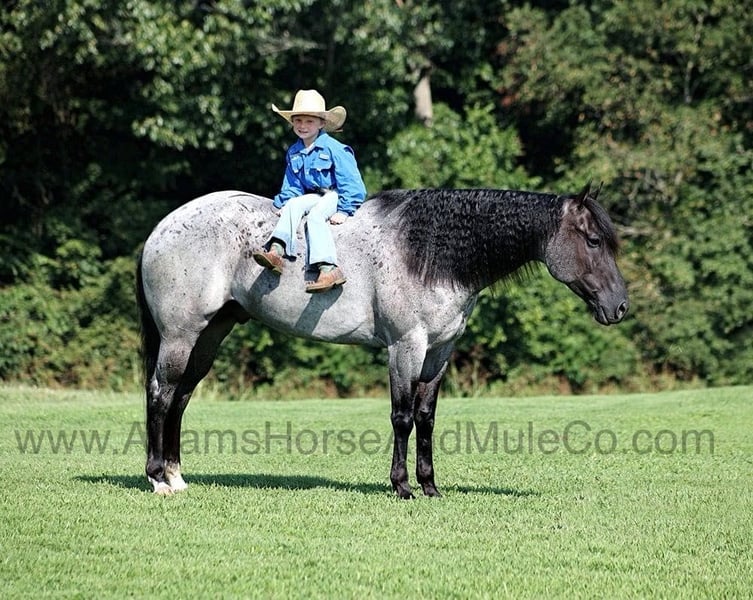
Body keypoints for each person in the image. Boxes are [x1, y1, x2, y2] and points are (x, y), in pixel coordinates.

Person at [253, 89, 367, 293]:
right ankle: (277, 251)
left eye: (309, 121)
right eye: (298, 120)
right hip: (314, 195)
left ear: (321, 123)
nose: (302, 126)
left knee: (315, 217)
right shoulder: (294, 151)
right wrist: (284, 203)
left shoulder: (335, 148)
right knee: (293, 204)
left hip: (335, 194)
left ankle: (328, 268)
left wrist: (345, 210)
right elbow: (293, 185)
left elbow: (352, 183)